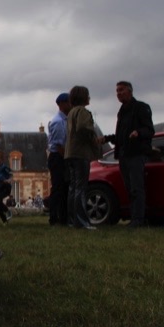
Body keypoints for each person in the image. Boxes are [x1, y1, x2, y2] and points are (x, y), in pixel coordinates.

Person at [101, 81, 155, 227]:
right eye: (117, 91)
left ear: (130, 91)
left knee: (137, 188)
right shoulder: (122, 111)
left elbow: (150, 130)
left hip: (137, 154)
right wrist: (106, 139)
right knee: (130, 188)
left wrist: (138, 133)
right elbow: (120, 136)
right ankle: (135, 217)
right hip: (124, 155)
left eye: (121, 90)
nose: (118, 93)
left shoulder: (141, 108)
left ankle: (138, 219)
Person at [65, 86, 100, 230]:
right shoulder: (83, 112)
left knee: (73, 188)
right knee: (81, 187)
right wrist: (93, 138)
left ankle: (72, 220)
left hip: (70, 153)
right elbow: (84, 128)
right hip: (80, 153)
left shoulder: (71, 112)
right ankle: (82, 222)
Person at [47, 92, 72, 225]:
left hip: (59, 156)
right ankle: (55, 218)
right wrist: (67, 160)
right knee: (58, 188)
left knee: (63, 188)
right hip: (58, 157)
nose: (71, 105)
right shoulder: (58, 122)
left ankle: (62, 217)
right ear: (62, 104)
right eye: (69, 102)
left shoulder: (64, 120)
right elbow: (59, 145)